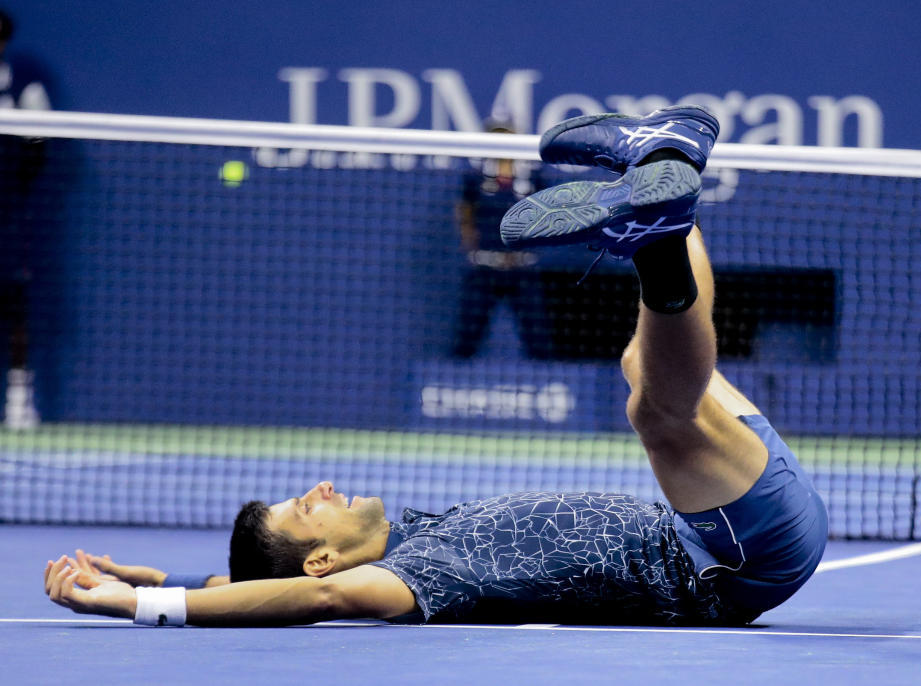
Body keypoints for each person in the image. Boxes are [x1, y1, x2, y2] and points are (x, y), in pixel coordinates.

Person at [43, 106, 828, 628]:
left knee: (643, 365)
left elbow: (251, 584)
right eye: (303, 509)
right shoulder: (413, 576)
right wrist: (149, 611)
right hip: (731, 560)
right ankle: (659, 223)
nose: (317, 486)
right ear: (322, 555)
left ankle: (659, 166)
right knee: (655, 409)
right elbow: (318, 593)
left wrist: (152, 582)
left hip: (713, 509)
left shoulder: (407, 529)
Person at [450, 118, 552, 359]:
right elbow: (464, 209)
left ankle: (548, 384)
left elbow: (548, 209)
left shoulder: (532, 177)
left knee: (538, 338)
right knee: (468, 334)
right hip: (485, 268)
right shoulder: (476, 177)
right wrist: (469, 240)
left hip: (522, 269)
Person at [0, 8, 52, 429]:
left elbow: (39, 140)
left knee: (16, 304)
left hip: (10, 213)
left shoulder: (22, 77)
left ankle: (19, 400)